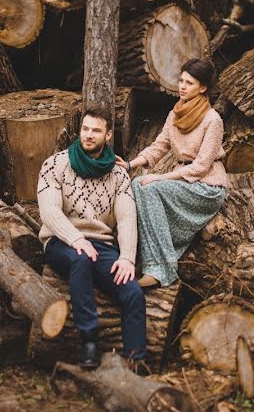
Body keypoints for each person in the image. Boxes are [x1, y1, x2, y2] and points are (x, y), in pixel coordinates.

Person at [37, 108, 147, 369]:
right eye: (85, 129)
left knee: (132, 292)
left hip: (102, 246)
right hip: (61, 242)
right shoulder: (55, 164)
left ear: (108, 135)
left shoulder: (118, 174)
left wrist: (127, 258)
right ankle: (89, 341)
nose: (88, 135)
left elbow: (127, 218)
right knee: (81, 259)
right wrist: (75, 239)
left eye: (96, 130)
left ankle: (136, 361)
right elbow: (49, 211)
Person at [117, 59, 228, 288]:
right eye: (181, 80)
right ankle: (146, 259)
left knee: (150, 187)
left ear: (203, 88)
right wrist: (129, 165)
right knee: (137, 184)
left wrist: (159, 177)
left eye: (190, 82)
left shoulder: (212, 119)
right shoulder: (175, 113)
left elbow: (201, 166)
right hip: (183, 182)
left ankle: (162, 270)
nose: (182, 86)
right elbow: (159, 147)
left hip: (206, 187)